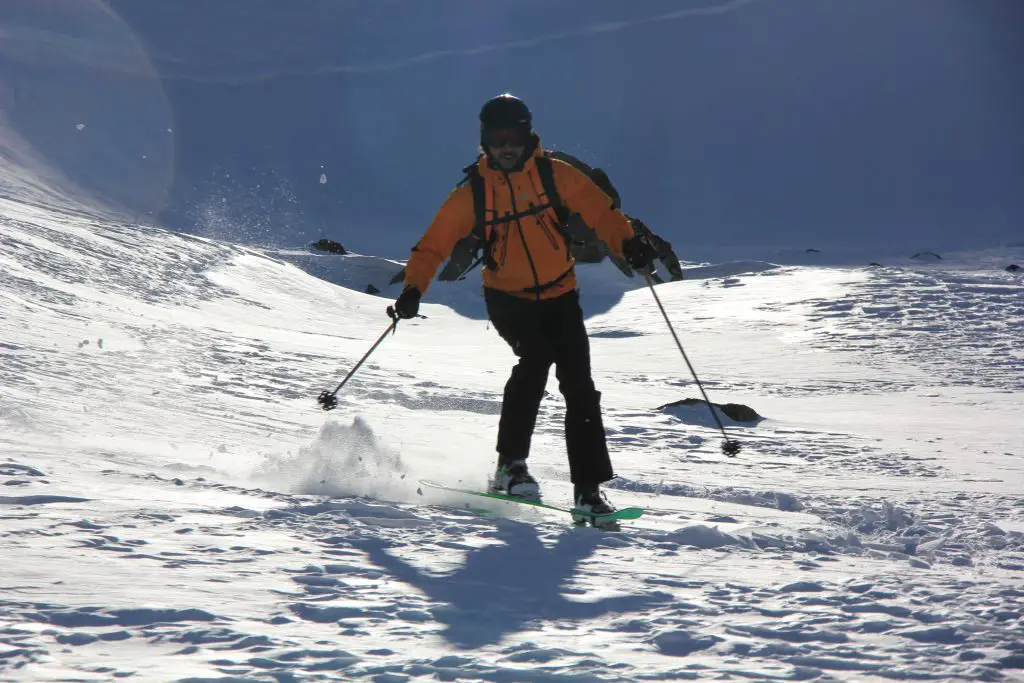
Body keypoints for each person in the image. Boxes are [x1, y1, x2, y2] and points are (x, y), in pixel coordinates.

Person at [391, 94, 656, 521]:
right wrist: (412, 289)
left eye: (513, 136)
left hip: (560, 294)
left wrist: (629, 243)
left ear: (527, 134)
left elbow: (601, 212)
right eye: (497, 139)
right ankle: (509, 467)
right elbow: (432, 246)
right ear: (485, 142)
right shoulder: (472, 194)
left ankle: (587, 493)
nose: (507, 146)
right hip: (508, 299)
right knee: (535, 360)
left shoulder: (555, 175)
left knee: (581, 388)